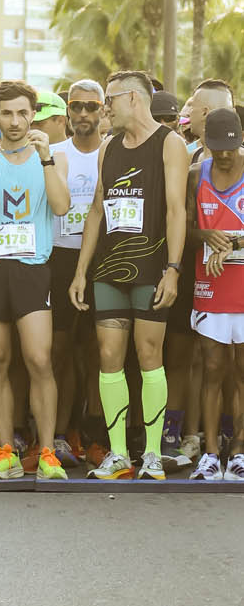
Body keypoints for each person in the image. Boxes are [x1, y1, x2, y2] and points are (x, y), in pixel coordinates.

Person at [69, 70, 189, 482]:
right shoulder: (108, 147)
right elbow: (97, 210)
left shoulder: (169, 143)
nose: (105, 108)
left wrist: (173, 269)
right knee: (108, 356)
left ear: (134, 99)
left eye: (110, 100)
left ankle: (152, 454)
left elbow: (176, 210)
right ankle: (118, 453)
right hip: (108, 268)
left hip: (151, 266)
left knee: (150, 354)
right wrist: (80, 271)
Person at [0, 81, 71, 481]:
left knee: (39, 359)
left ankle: (47, 452)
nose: (15, 121)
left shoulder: (53, 157)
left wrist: (46, 160)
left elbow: (61, 207)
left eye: (23, 113)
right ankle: (6, 451)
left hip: (32, 268)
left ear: (34, 115)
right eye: (7, 113)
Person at [186, 107, 244, 481]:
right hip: (210, 285)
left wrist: (234, 242)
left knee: (241, 371)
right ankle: (209, 453)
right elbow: (182, 229)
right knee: (211, 368)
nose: (223, 154)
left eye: (230, 147)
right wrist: (205, 235)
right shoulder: (196, 175)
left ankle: (238, 451)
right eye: (217, 146)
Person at [48, 79, 104, 466]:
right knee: (59, 351)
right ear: (67, 111)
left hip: (104, 261)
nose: (83, 113)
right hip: (60, 258)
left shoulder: (114, 152)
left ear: (103, 109)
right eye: (76, 106)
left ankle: (97, 435)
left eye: (91, 106)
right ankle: (58, 433)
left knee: (102, 353)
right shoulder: (55, 154)